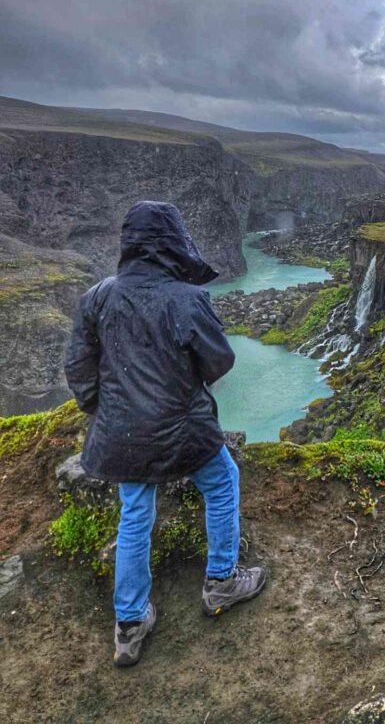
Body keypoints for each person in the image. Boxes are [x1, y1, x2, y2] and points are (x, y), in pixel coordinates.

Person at [64, 200, 267, 667]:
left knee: (135, 513)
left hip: (122, 434)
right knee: (222, 482)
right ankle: (221, 582)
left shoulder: (98, 296)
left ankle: (130, 622)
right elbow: (219, 361)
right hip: (183, 428)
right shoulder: (187, 298)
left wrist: (105, 409)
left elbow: (79, 365)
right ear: (173, 242)